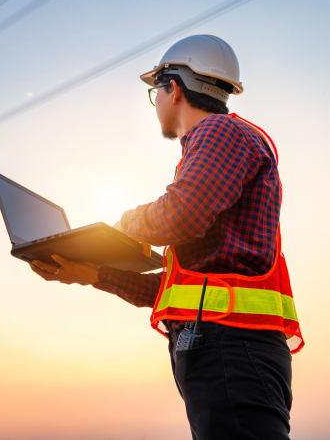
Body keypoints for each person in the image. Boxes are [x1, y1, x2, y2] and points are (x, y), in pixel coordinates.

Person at [29, 35, 303, 440]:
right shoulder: (216, 147)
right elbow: (176, 292)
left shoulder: (220, 134)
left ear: (173, 89)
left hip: (232, 348)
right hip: (228, 346)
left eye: (155, 89)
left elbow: (181, 215)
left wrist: (125, 223)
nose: (155, 100)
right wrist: (91, 273)